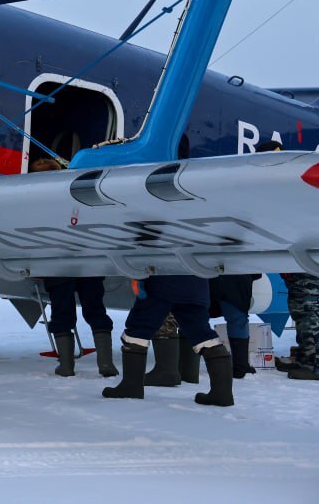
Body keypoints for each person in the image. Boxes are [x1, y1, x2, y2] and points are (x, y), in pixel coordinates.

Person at [31, 157, 118, 378]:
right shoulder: (80, 192)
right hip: (89, 260)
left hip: (56, 263)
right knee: (96, 310)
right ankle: (106, 364)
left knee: (62, 313)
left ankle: (67, 366)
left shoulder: (33, 200)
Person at [102, 275, 233, 406]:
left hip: (161, 283)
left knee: (138, 329)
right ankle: (222, 393)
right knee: (202, 333)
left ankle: (131, 387)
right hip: (197, 285)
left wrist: (139, 278)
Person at [210, 273, 262, 378]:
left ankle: (187, 368)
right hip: (237, 274)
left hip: (206, 272)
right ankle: (240, 365)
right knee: (237, 318)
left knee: (196, 316)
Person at [282, 272, 319, 381]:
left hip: (309, 277)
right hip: (299, 278)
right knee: (302, 317)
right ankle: (304, 361)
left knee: (310, 319)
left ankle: (313, 366)